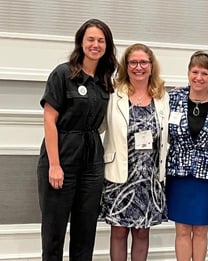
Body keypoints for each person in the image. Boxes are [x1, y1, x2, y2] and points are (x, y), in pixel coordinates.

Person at [36, 19, 117, 261]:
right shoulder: (63, 73)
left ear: (107, 46)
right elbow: (49, 120)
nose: (96, 45)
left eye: (101, 40)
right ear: (81, 42)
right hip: (62, 156)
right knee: (54, 232)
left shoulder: (105, 80)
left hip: (92, 161)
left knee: (85, 232)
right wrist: (54, 164)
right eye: (90, 39)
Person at [99, 43, 169, 261]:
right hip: (120, 174)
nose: (138, 67)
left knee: (142, 231)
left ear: (151, 66)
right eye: (133, 62)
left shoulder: (162, 96)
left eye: (143, 62)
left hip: (149, 176)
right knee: (119, 231)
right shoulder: (113, 94)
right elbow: (98, 126)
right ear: (125, 66)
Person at [166, 50, 208, 261]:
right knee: (182, 230)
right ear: (188, 73)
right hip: (179, 174)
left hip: (207, 176)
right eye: (195, 72)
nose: (199, 77)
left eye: (204, 73)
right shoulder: (173, 98)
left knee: (201, 230)